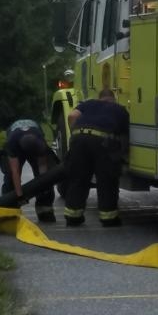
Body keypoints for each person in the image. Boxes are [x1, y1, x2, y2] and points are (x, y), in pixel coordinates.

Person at [63, 88, 130, 227]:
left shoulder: (89, 104)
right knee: (106, 180)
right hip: (102, 142)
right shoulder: (119, 109)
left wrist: (74, 135)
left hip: (78, 139)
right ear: (113, 99)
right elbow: (124, 136)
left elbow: (71, 116)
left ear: (100, 98)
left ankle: (73, 217)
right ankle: (108, 218)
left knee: (78, 178)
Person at [0, 118, 57, 223]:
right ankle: (9, 212)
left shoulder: (40, 141)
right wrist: (19, 196)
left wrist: (44, 185)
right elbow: (15, 172)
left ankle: (45, 210)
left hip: (33, 139)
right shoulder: (12, 144)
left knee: (48, 175)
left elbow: (42, 165)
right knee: (10, 176)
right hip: (17, 143)